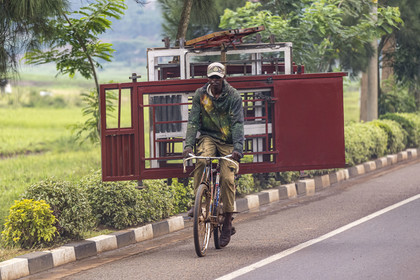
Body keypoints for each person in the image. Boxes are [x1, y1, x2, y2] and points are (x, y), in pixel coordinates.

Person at [183, 62, 244, 247]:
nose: (215, 81)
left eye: (218, 77)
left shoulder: (233, 95)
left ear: (223, 77)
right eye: (212, 77)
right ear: (208, 78)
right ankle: (198, 202)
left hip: (227, 141)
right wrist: (188, 145)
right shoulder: (201, 94)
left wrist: (238, 148)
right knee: (201, 161)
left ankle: (227, 222)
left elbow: (237, 123)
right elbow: (193, 120)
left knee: (227, 179)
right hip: (208, 137)